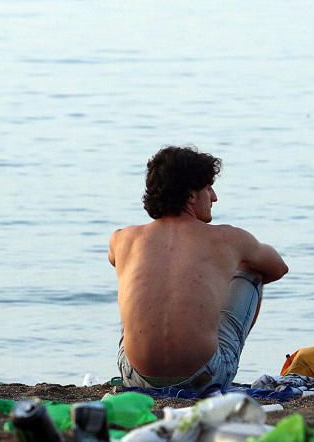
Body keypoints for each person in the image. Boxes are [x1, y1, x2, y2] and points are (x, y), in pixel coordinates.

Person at [109, 146, 288, 390]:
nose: (214, 197)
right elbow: (278, 267)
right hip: (203, 377)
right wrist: (226, 267)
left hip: (135, 376)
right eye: (208, 188)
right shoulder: (228, 239)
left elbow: (114, 260)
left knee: (134, 275)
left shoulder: (123, 238)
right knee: (253, 270)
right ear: (191, 196)